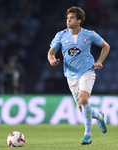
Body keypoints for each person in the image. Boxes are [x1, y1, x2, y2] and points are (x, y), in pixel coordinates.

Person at [47, 6, 110, 145]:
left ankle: (87, 135)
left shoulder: (89, 34)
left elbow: (106, 46)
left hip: (87, 71)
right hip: (71, 75)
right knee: (83, 108)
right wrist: (52, 60)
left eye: (71, 18)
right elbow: (51, 53)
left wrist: (99, 61)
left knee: (83, 98)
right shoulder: (61, 35)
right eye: (67, 18)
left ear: (79, 20)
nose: (68, 20)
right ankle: (99, 116)